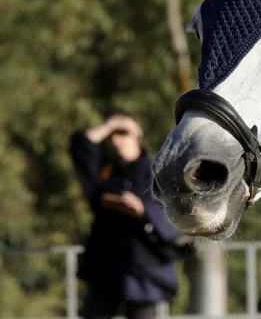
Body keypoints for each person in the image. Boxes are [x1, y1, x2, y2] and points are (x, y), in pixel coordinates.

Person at [70, 110, 186, 319]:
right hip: (105, 268)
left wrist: (143, 211)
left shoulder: (156, 170)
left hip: (143, 271)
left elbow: (177, 218)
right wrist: (109, 125)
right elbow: (80, 144)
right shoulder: (107, 171)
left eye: (123, 132)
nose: (117, 139)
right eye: (113, 134)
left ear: (137, 133)